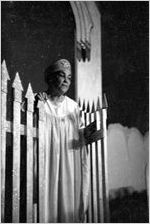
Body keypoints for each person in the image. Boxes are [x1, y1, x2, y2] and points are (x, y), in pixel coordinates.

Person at [35, 59, 99, 223]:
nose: (66, 81)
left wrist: (89, 133)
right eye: (61, 76)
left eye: (69, 78)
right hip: (45, 160)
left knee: (67, 198)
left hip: (68, 162)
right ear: (50, 78)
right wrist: (36, 107)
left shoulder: (73, 107)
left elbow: (80, 136)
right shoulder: (39, 101)